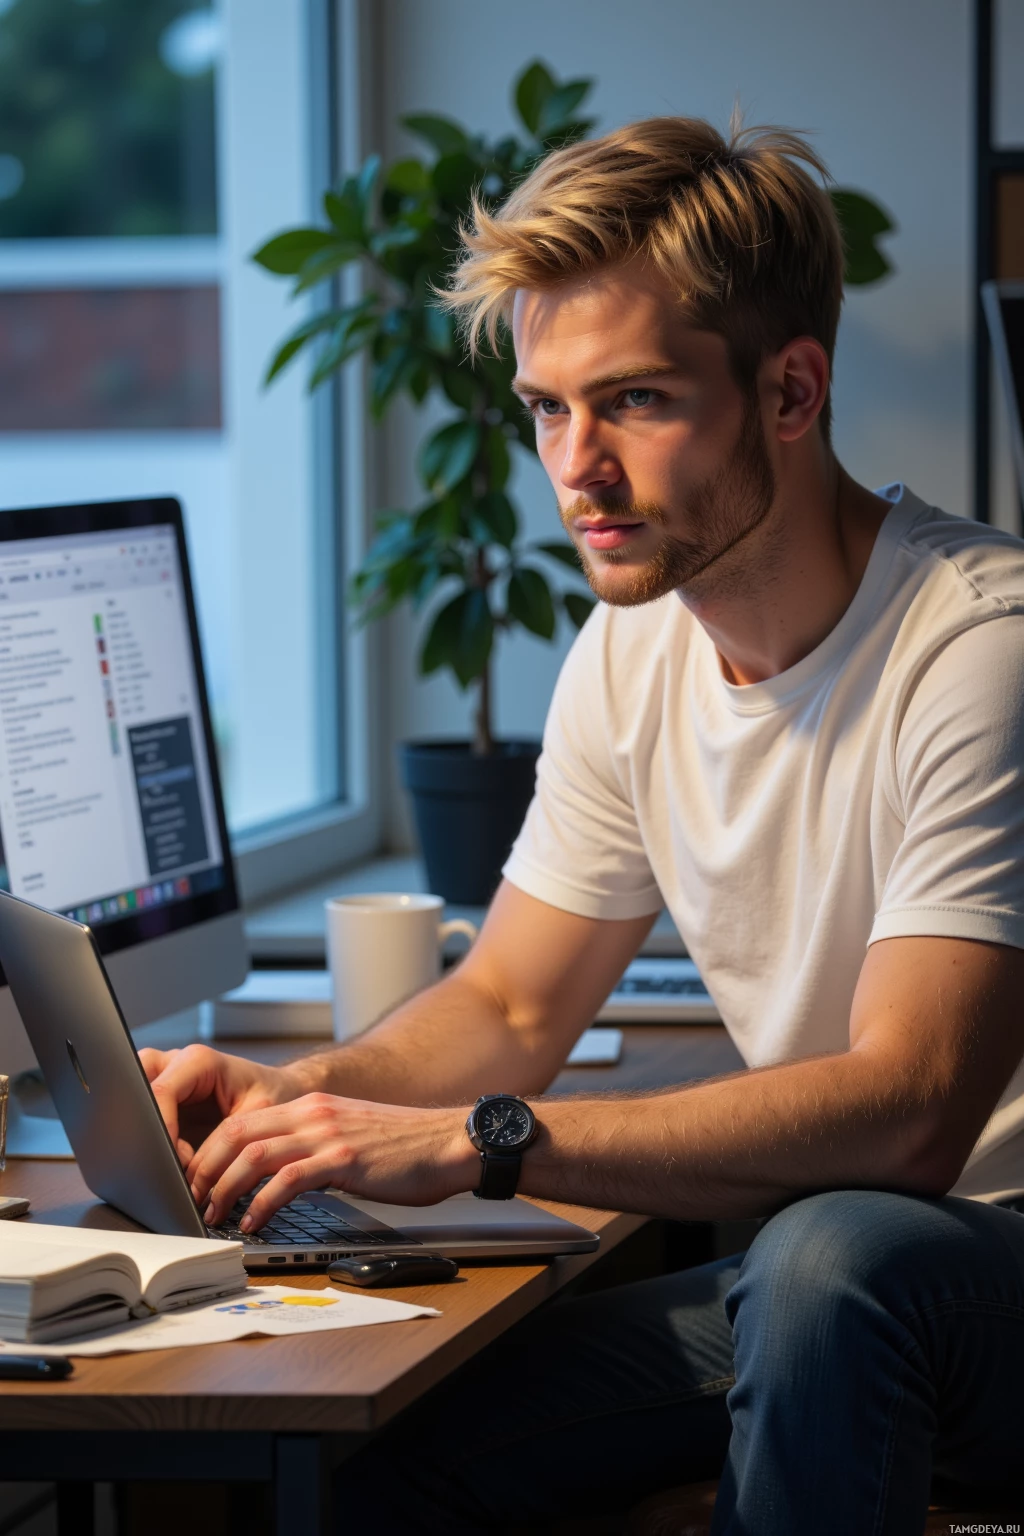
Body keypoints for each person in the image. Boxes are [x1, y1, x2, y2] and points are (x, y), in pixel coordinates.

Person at [141, 116, 1024, 1533]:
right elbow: (507, 997)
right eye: (549, 408)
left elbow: (916, 1111)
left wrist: (487, 1141)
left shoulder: (978, 649)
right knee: (379, 1460)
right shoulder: (635, 652)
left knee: (827, 1256)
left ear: (792, 390)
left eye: (637, 403)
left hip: (974, 1269)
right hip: (828, 1280)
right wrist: (309, 1105)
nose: (577, 468)